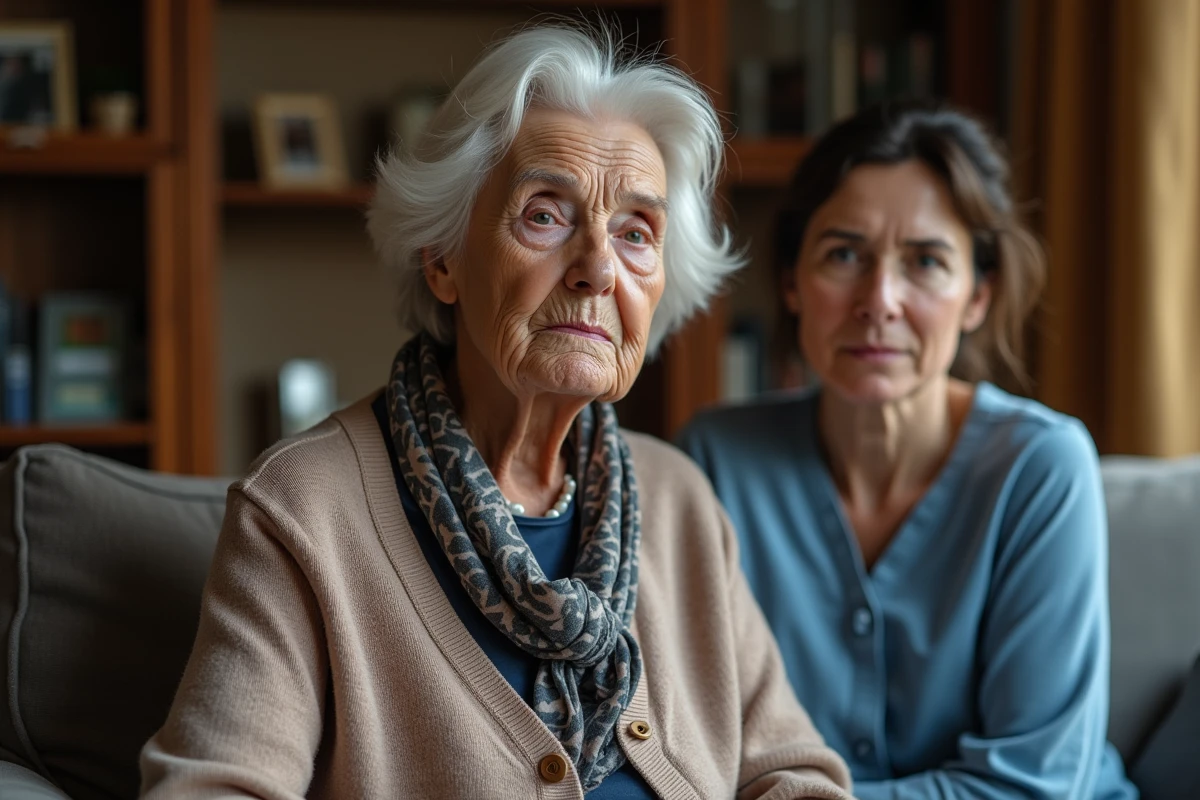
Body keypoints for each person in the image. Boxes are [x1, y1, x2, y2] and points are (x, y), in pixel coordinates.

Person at [139, 24, 853, 800]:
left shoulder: (678, 500)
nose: (596, 269)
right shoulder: (306, 510)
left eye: (636, 233)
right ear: (443, 257)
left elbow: (792, 771)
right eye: (545, 215)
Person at [678, 102, 1138, 800]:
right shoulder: (713, 464)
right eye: (843, 254)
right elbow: (688, 742)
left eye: (925, 261)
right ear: (791, 282)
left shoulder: (1041, 469)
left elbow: (1035, 784)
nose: (880, 300)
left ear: (978, 294)